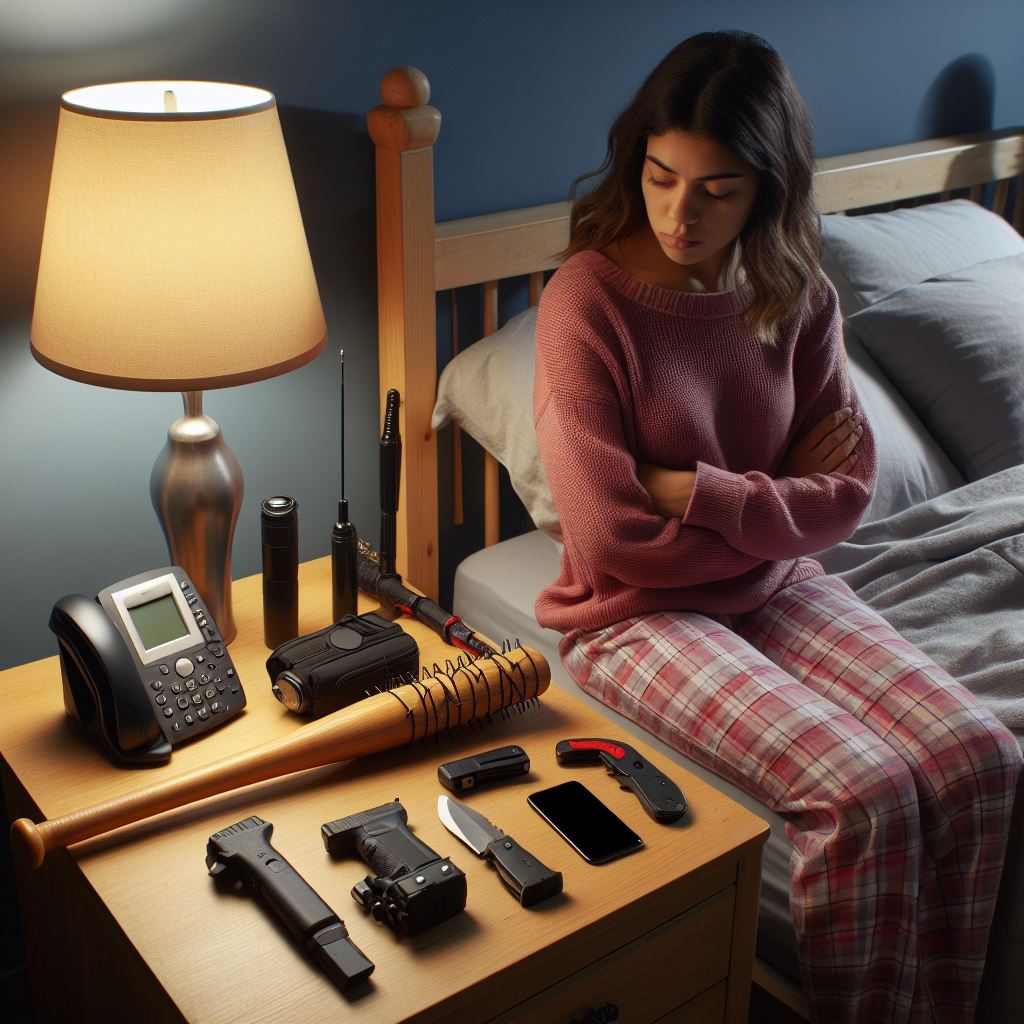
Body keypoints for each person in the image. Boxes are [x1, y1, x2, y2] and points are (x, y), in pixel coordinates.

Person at [533, 30, 1021, 1024]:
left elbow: (845, 491)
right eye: (662, 176)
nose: (679, 212)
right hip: (632, 614)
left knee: (982, 760)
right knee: (864, 793)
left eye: (716, 188)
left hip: (780, 583)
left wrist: (702, 493)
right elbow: (617, 534)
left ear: (768, 188)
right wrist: (769, 501)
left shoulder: (795, 293)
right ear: (637, 160)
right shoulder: (586, 301)